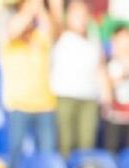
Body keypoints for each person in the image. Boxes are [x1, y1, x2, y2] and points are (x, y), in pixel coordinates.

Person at [0, 0, 57, 168]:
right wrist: (30, 7)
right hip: (19, 105)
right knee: (16, 153)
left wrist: (41, 8)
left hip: (45, 105)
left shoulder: (40, 38)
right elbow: (12, 29)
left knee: (47, 157)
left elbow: (50, 28)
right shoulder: (9, 42)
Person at [50, 0, 103, 158]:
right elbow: (55, 14)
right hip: (66, 96)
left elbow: (99, 67)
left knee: (86, 145)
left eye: (83, 14)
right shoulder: (61, 34)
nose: (81, 18)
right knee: (65, 144)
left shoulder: (93, 37)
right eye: (76, 14)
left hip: (89, 97)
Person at [101, 25, 129, 153]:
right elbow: (107, 87)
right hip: (114, 118)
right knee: (112, 153)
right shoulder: (109, 62)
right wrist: (124, 74)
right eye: (122, 39)